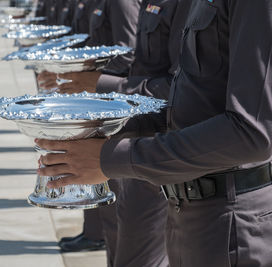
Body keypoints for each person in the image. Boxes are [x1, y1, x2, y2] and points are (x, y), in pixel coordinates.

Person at [36, 0, 272, 266]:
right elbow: (187, 102)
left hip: (227, 220)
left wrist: (111, 157)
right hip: (185, 210)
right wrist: (98, 129)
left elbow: (251, 134)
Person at [39, 1, 139, 265]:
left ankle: (95, 236)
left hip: (117, 109)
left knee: (119, 212)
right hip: (98, 103)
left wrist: (92, 81)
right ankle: (94, 234)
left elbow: (128, 55)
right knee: (104, 200)